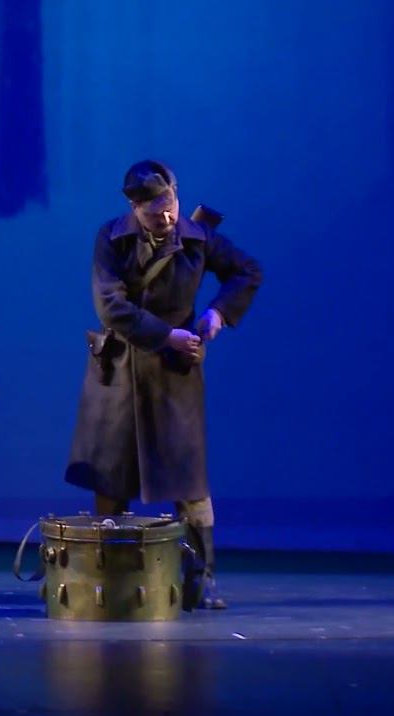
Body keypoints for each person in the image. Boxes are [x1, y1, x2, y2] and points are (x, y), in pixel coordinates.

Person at [65, 160, 262, 610]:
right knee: (111, 476)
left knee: (188, 478)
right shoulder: (111, 238)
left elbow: (247, 271)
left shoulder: (198, 237)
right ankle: (109, 576)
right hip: (119, 368)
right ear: (134, 208)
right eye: (155, 213)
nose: (167, 218)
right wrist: (164, 334)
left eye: (170, 206)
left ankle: (201, 580)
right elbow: (110, 306)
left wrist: (218, 313)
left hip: (175, 371)